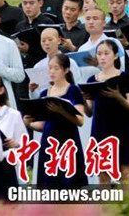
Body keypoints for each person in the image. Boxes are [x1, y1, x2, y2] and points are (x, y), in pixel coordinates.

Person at [81, 40, 129, 188]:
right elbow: (89, 112)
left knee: (124, 172)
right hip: (100, 129)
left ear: (115, 55)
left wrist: (118, 96)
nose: (102, 57)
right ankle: (105, 202)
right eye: (99, 54)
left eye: (106, 53)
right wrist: (84, 100)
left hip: (121, 129)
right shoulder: (91, 80)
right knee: (102, 174)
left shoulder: (125, 78)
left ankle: (128, 202)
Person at [23, 54, 86, 187]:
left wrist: (61, 111)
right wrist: (29, 123)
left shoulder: (73, 90)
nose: (52, 71)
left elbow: (80, 120)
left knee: (69, 185)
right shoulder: (44, 93)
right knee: (50, 185)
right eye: (50, 68)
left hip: (67, 141)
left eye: (56, 68)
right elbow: (43, 125)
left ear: (66, 70)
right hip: (49, 143)